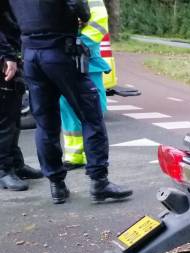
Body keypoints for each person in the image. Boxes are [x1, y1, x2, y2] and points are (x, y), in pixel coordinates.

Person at [6, 0, 131, 204]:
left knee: (45, 124)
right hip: (61, 51)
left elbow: (6, 19)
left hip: (31, 55)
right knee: (91, 116)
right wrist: (82, 16)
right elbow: (81, 7)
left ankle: (56, 185)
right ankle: (99, 182)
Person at [61, 0, 111, 170]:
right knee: (66, 109)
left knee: (91, 112)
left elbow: (99, 21)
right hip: (63, 58)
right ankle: (74, 156)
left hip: (86, 58)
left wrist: (77, 44)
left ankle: (95, 161)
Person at [0, 0, 43, 191]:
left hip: (12, 52)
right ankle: (3, 171)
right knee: (4, 118)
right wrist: (7, 54)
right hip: (4, 57)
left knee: (13, 116)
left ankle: (15, 163)